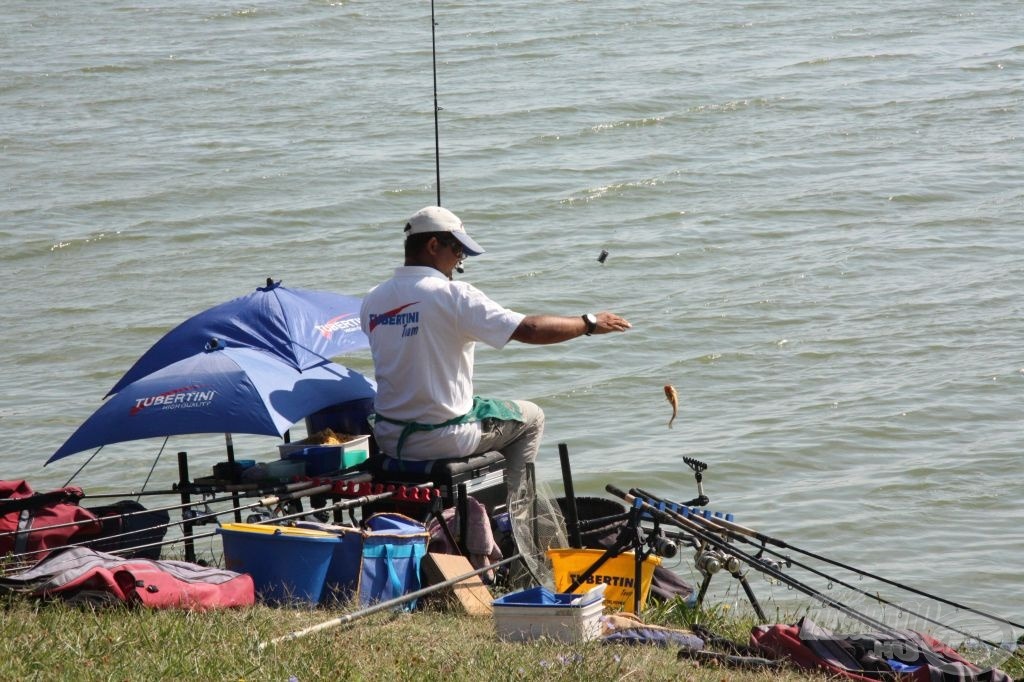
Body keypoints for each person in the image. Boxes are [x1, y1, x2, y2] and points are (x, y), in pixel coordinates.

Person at [359, 205, 631, 506]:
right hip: (443, 437)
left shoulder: (373, 298)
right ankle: (515, 516)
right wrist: (588, 323)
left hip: (391, 437)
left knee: (484, 409)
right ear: (433, 245)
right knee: (532, 417)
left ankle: (474, 503)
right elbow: (529, 329)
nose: (461, 259)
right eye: (458, 249)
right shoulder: (455, 295)